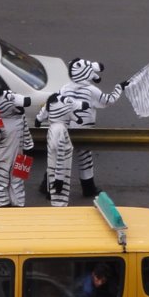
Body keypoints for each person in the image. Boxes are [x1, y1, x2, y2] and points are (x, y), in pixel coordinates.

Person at [59, 59, 127, 198]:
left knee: (59, 158)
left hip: (64, 129)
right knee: (85, 159)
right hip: (83, 131)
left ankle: (49, 187)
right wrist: (119, 88)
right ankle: (88, 188)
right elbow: (108, 100)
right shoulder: (92, 91)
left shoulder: (64, 88)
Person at [35, 92, 85, 207]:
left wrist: (38, 119)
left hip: (54, 168)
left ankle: (50, 193)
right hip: (61, 174)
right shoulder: (61, 131)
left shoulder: (53, 128)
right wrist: (60, 179)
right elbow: (60, 155)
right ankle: (58, 203)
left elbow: (42, 115)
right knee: (60, 199)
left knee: (50, 167)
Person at [0, 90, 33, 207]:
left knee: (19, 180)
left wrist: (29, 147)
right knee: (0, 181)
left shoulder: (20, 117)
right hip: (0, 157)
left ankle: (19, 202)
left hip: (19, 155)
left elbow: (26, 132)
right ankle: (3, 203)